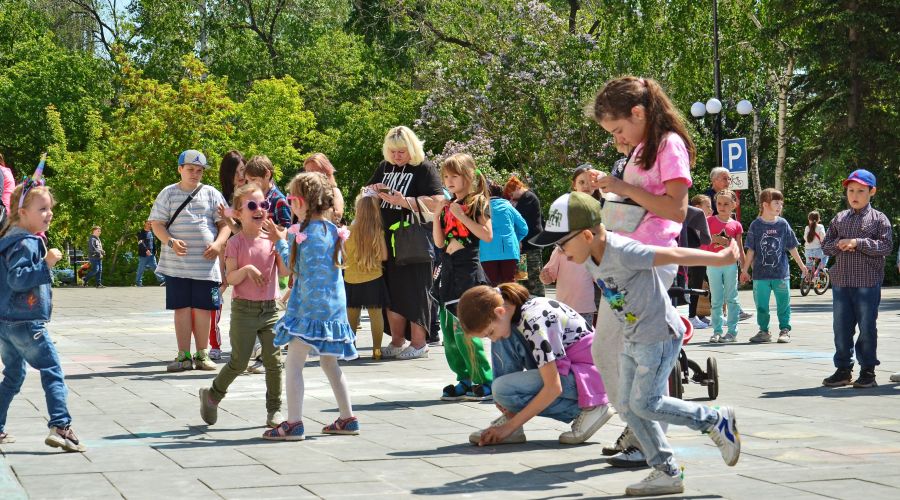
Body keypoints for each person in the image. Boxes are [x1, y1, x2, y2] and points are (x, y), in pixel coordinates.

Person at [532, 191, 741, 496]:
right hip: (634, 336)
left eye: (563, 243)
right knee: (628, 406)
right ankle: (668, 471)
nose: (561, 251)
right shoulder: (589, 253)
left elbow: (673, 255)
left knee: (646, 403)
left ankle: (714, 420)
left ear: (588, 234)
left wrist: (719, 257)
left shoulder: (623, 251)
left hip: (659, 334)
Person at [584, 75, 695, 467]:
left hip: (648, 260)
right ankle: (639, 428)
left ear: (638, 112)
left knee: (612, 347)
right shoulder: (644, 145)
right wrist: (612, 189)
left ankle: (641, 430)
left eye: (618, 129)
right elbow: (639, 201)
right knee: (617, 348)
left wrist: (622, 187)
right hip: (626, 256)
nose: (618, 137)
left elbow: (676, 211)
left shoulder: (670, 145)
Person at [263, 172, 358, 440]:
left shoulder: (299, 234)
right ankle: (347, 417)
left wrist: (278, 241)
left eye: (292, 199)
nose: (290, 204)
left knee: (293, 364)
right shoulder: (335, 231)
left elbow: (291, 269)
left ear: (303, 202)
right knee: (330, 364)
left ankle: (293, 423)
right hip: (333, 311)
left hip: (307, 311)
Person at [459, 282, 612, 446]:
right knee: (503, 337)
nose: (493, 339)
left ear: (500, 311)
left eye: (489, 333)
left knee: (503, 389)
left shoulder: (534, 321)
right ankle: (511, 417)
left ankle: (590, 408)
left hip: (591, 377)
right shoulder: (513, 310)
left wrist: (508, 428)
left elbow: (553, 387)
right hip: (575, 370)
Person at [0, 180, 86, 452]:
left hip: (5, 323)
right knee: (52, 370)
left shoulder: (8, 239)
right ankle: (61, 426)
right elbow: (18, 279)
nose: (49, 213)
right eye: (42, 209)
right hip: (26, 322)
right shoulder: (26, 242)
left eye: (50, 208)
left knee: (14, 375)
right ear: (22, 212)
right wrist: (46, 263)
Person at [199, 184, 287, 428]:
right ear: (237, 213)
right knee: (239, 361)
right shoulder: (236, 242)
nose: (260, 210)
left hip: (270, 309)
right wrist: (247, 269)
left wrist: (282, 244)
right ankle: (213, 394)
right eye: (252, 205)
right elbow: (231, 277)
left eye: (263, 205)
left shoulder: (271, 239)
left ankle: (274, 410)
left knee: (274, 361)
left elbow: (287, 271)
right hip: (244, 310)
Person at [366, 126, 444, 359]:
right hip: (386, 240)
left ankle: (419, 343)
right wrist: (372, 190)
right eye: (392, 151)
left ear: (412, 148)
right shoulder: (384, 167)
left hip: (413, 240)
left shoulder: (424, 168)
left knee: (416, 290)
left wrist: (405, 201)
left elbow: (438, 201)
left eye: (401, 151)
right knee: (391, 291)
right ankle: (397, 340)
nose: (396, 156)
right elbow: (365, 192)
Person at [149, 149, 230, 372]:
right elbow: (157, 224)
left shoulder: (212, 193)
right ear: (180, 169)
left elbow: (224, 225)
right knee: (182, 309)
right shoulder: (168, 193)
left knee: (203, 309)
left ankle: (202, 354)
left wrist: (218, 244)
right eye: (190, 169)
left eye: (199, 170)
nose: (195, 174)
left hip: (205, 266)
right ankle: (183, 355)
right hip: (177, 265)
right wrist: (170, 241)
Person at [821, 169, 893, 389]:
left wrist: (858, 243)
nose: (855, 195)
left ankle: (868, 371)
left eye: (861, 191)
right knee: (841, 327)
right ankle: (843, 369)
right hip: (842, 282)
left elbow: (886, 246)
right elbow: (826, 245)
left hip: (867, 283)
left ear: (872, 192)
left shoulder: (879, 219)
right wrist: (839, 244)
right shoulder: (840, 218)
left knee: (867, 327)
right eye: (851, 190)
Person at [432, 153, 494, 401]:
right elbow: (438, 242)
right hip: (448, 267)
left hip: (468, 267)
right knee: (448, 330)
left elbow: (486, 235)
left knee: (466, 327)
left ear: (468, 176)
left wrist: (462, 216)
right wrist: (438, 216)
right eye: (446, 176)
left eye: (454, 176)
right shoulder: (449, 206)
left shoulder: (478, 203)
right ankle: (464, 377)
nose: (448, 180)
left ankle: (484, 379)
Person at [739, 188, 807, 344]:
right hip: (760, 275)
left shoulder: (783, 224)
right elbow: (751, 250)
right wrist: (744, 270)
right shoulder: (756, 225)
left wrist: (802, 266)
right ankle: (764, 331)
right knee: (761, 306)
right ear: (765, 204)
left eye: (781, 204)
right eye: (776, 203)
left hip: (781, 274)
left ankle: (785, 330)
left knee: (784, 304)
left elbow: (792, 247)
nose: (779, 206)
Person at [344, 192, 390, 359]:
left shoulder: (348, 231)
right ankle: (377, 350)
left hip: (351, 277)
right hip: (373, 278)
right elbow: (384, 256)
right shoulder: (378, 231)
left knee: (351, 315)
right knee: (375, 315)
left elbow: (342, 255)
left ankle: (351, 349)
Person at [209, 150, 246, 361]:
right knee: (215, 295)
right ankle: (215, 343)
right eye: (236, 172)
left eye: (243, 170)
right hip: (224, 257)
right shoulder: (219, 197)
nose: (240, 176)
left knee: (249, 301)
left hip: (247, 257)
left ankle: (254, 343)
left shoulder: (252, 195)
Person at [705, 167, 753, 323]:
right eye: (725, 178)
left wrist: (744, 267)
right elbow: (704, 232)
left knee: (730, 291)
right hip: (712, 255)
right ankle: (718, 320)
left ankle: (732, 316)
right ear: (714, 180)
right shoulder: (707, 198)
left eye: (729, 178)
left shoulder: (729, 201)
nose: (728, 181)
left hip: (729, 258)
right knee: (716, 292)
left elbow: (736, 240)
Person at [702, 189, 745, 343]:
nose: (722, 206)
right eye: (719, 203)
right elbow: (703, 241)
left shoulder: (736, 225)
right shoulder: (709, 221)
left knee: (732, 297)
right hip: (713, 263)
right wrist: (712, 241)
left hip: (730, 265)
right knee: (716, 299)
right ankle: (717, 331)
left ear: (734, 205)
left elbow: (739, 247)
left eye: (726, 204)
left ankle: (732, 332)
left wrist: (745, 268)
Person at [504, 175, 544, 297]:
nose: (511, 197)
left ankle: (539, 302)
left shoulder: (529, 198)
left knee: (534, 280)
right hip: (522, 247)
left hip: (532, 245)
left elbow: (519, 218)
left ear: (517, 188)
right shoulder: (522, 199)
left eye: (511, 194)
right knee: (522, 278)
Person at [480, 183, 528, 286]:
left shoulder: (481, 208)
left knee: (491, 289)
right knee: (510, 288)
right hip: (509, 250)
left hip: (486, 252)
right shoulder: (508, 206)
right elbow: (524, 228)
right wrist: (515, 240)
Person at [243, 155, 293, 229]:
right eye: (247, 180)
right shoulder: (251, 198)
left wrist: (264, 224)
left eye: (253, 179)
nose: (249, 184)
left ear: (267, 175)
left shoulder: (279, 200)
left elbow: (287, 231)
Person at [686, 195, 712, 328]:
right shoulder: (692, 224)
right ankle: (691, 316)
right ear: (697, 208)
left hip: (703, 257)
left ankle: (707, 314)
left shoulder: (707, 222)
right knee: (695, 285)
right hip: (695, 256)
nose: (711, 209)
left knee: (706, 285)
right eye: (707, 206)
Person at [304, 153, 344, 224]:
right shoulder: (304, 192)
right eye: (307, 172)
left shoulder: (334, 191)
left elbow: (337, 216)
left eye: (313, 171)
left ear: (326, 171)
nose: (309, 175)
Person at [136, 221, 166, 287]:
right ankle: (138, 283)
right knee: (141, 269)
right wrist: (146, 250)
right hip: (143, 255)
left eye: (150, 224)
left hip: (151, 255)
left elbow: (153, 243)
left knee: (156, 268)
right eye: (148, 224)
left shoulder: (151, 232)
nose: (149, 225)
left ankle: (162, 281)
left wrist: (155, 250)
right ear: (145, 224)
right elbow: (140, 243)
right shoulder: (140, 233)